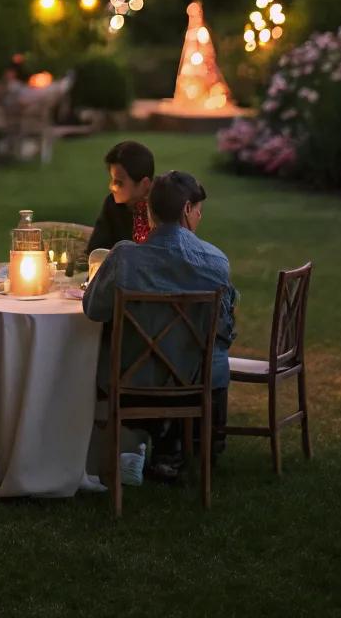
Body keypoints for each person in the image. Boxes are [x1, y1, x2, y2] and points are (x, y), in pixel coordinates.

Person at [83, 169, 235, 476]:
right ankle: (187, 445)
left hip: (130, 383)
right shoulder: (216, 261)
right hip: (192, 385)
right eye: (198, 210)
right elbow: (224, 329)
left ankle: (140, 447)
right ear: (187, 209)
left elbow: (93, 309)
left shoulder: (124, 257)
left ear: (150, 211)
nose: (199, 216)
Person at [86, 140, 155, 254]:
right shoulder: (112, 205)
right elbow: (96, 251)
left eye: (119, 182)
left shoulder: (163, 208)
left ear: (145, 184)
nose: (111, 187)